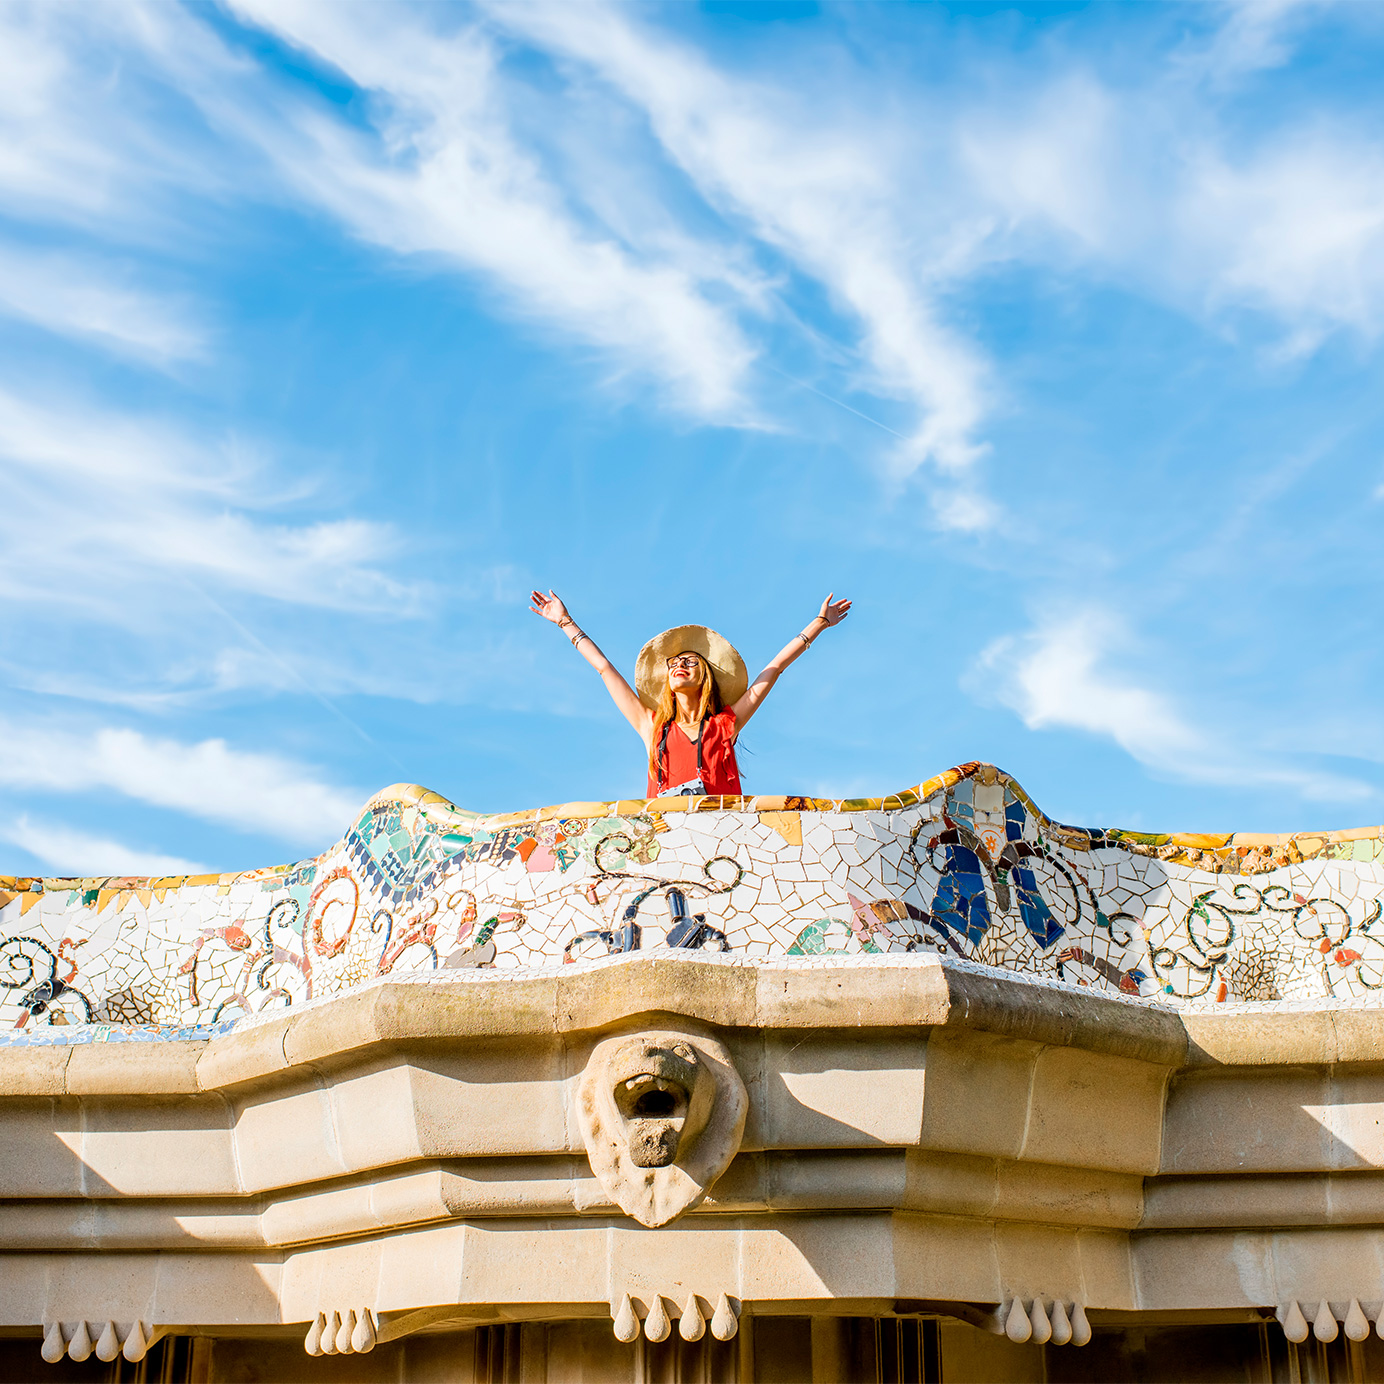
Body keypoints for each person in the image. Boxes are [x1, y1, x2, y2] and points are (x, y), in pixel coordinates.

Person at [529, 591, 852, 797]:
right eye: (674, 663)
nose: (679, 666)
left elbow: (774, 669)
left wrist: (819, 623)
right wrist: (565, 622)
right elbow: (605, 669)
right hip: (667, 837)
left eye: (690, 661)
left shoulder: (725, 724)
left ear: (706, 675)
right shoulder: (651, 725)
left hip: (722, 834)